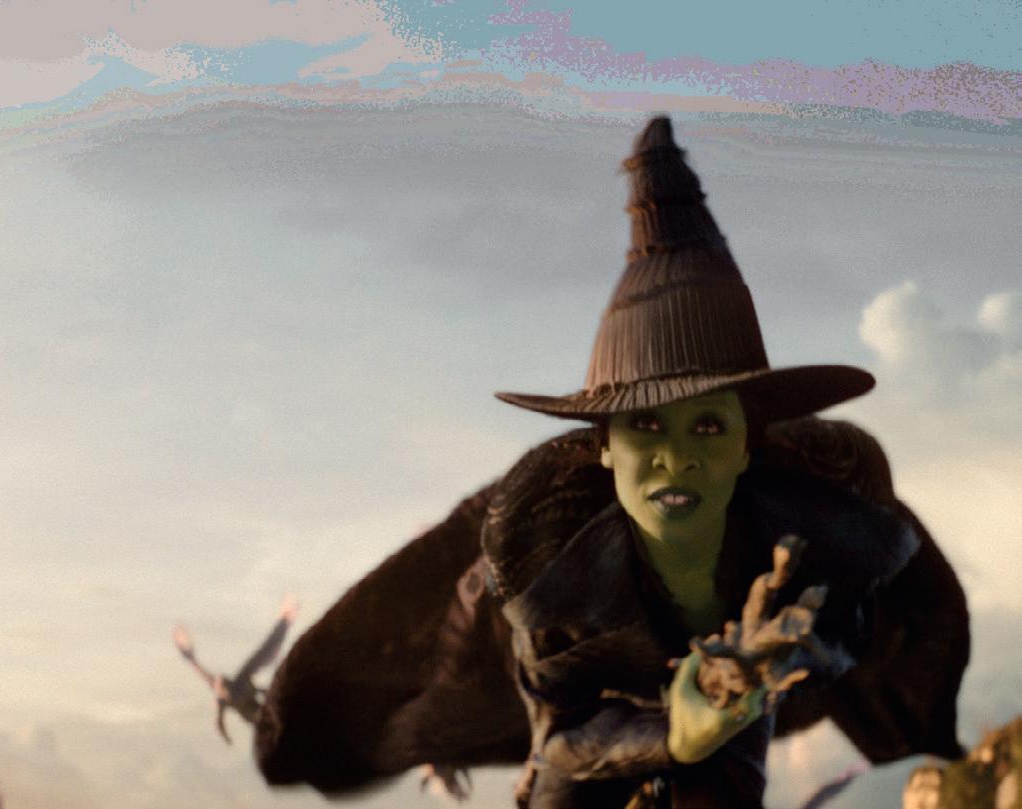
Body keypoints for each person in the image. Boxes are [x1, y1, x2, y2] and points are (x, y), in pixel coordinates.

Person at [253, 117, 969, 808]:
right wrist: (676, 732)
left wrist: (763, 663)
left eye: (708, 427)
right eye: (645, 426)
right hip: (562, 692)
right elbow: (562, 737)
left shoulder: (829, 525)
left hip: (742, 690)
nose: (676, 458)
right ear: (601, 446)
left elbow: (848, 634)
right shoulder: (542, 556)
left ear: (747, 446)